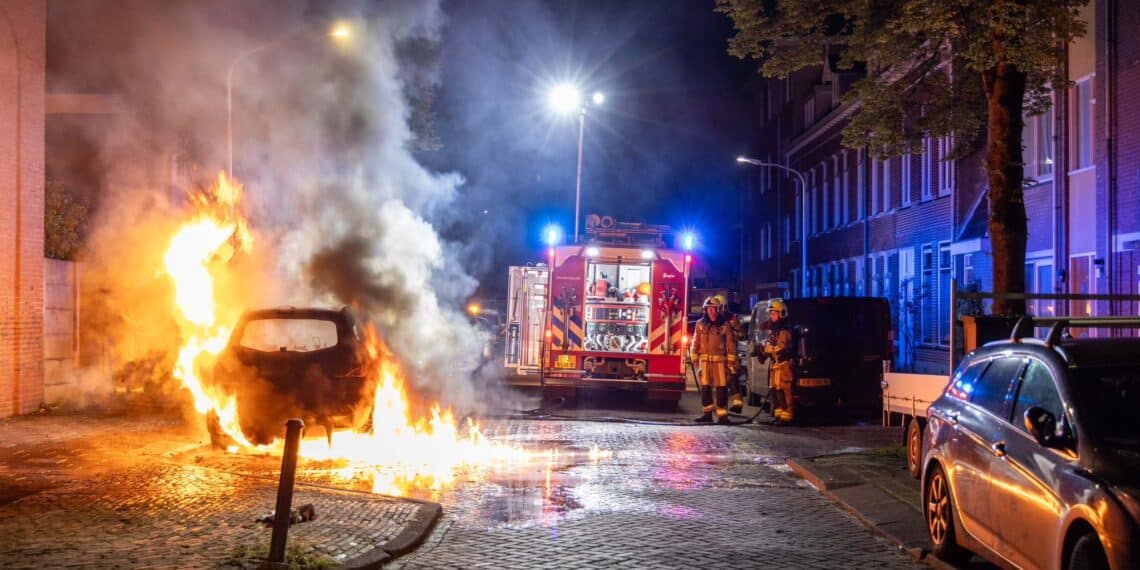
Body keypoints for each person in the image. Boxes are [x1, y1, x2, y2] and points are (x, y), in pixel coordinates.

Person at [689, 296, 739, 424]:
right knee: (705, 388)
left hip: (720, 363)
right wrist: (694, 356)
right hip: (705, 362)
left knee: (721, 388)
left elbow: (730, 343)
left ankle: (722, 416)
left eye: (714, 309)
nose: (711, 311)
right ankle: (707, 414)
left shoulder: (724, 325)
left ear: (718, 310)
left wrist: (731, 360)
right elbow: (695, 342)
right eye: (709, 309)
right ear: (705, 310)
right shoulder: (700, 324)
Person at [761, 298, 796, 425]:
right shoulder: (775, 331)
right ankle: (779, 416)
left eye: (774, 313)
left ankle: (787, 417)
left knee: (784, 392)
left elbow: (780, 347)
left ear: (781, 314)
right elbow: (768, 345)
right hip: (776, 367)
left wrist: (768, 349)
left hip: (783, 366)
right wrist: (763, 350)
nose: (772, 316)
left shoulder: (784, 331)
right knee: (775, 392)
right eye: (771, 313)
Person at [715, 294, 746, 414]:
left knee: (733, 378)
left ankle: (737, 404)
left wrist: (733, 334)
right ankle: (723, 405)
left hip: (731, 353)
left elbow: (741, 334)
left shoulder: (732, 318)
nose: (719, 310)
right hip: (720, 354)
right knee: (723, 380)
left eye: (719, 307)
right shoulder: (717, 320)